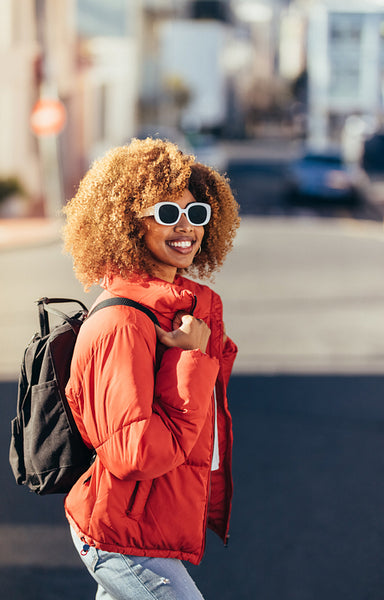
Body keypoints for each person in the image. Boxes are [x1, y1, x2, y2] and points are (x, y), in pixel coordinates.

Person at [62, 137, 240, 599]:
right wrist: (192, 359)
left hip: (145, 523)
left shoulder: (180, 312)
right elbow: (135, 453)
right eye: (166, 213)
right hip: (120, 537)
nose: (186, 227)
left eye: (196, 213)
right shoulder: (120, 323)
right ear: (127, 223)